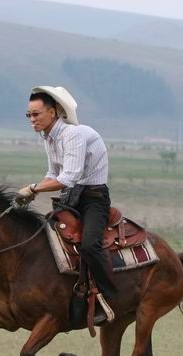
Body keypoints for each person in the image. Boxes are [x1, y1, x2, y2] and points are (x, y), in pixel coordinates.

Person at [16, 86, 119, 302]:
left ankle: (112, 295)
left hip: (93, 198)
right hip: (71, 197)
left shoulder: (72, 135)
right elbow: (53, 173)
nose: (31, 119)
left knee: (90, 246)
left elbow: (67, 178)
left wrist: (34, 188)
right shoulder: (49, 138)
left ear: (52, 112)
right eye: (29, 115)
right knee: (46, 240)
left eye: (36, 114)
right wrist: (33, 193)